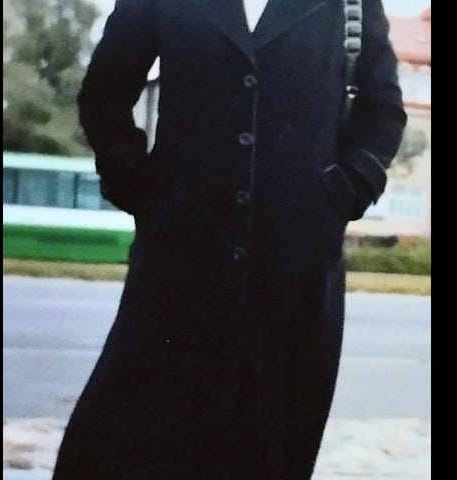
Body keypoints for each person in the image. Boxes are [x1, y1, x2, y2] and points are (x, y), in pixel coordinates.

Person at [52, 0, 406, 478]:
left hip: (293, 277)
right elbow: (104, 94)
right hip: (179, 269)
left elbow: (383, 112)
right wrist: (143, 189)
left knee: (266, 454)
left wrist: (341, 195)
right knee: (124, 448)